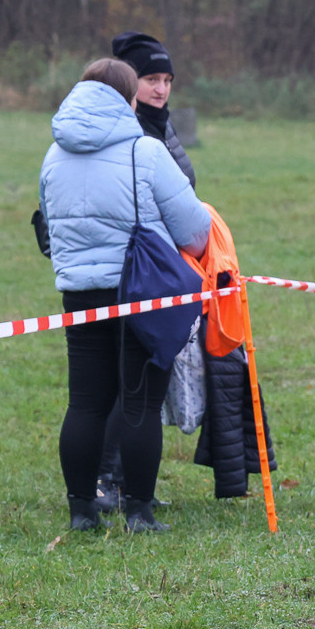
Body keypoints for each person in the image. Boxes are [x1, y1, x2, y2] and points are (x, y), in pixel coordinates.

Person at [39, 58, 211, 533]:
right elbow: (195, 230)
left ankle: (81, 511)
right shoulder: (146, 151)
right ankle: (138, 511)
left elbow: (49, 228)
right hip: (139, 292)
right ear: (128, 97)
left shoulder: (54, 155)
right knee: (139, 403)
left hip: (78, 293)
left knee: (86, 403)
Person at [89, 31, 197, 512]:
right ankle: (108, 481)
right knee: (128, 385)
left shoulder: (159, 123)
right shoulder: (129, 133)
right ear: (128, 83)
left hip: (160, 268)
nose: (160, 88)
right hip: (134, 273)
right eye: (150, 78)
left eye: (167, 79)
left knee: (132, 383)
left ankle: (115, 479)